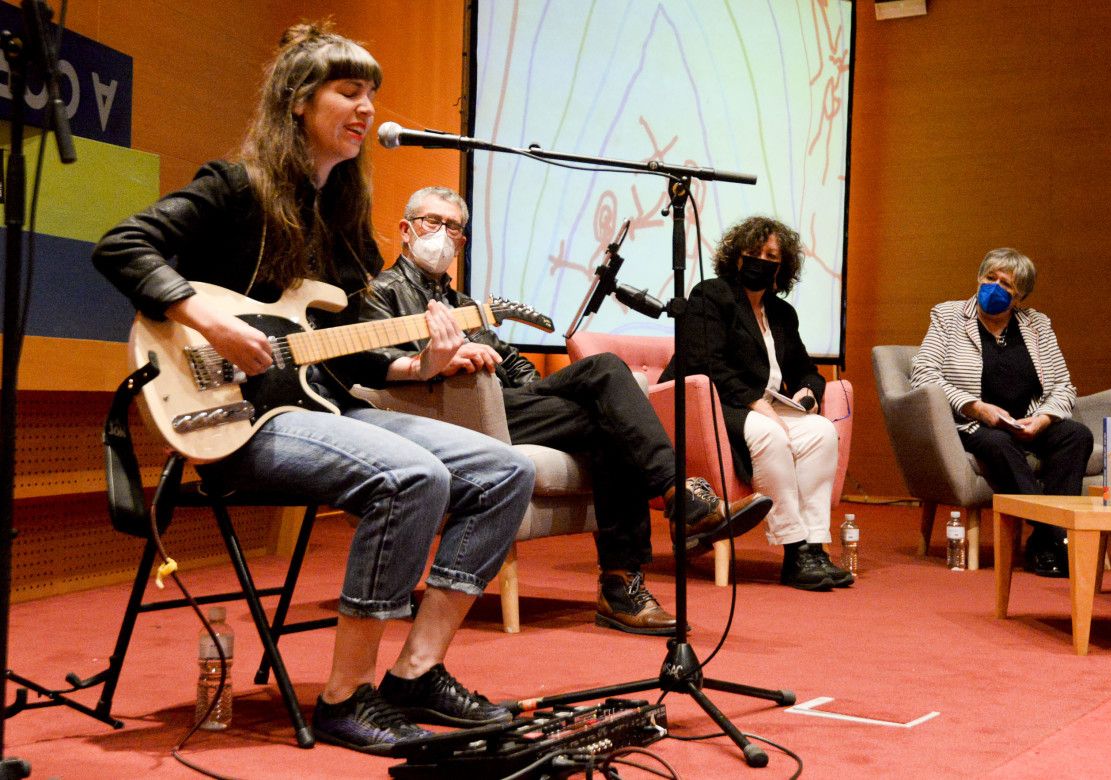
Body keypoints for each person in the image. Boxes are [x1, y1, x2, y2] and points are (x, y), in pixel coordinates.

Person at [92, 23, 537, 755]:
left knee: (504, 469)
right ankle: (345, 698)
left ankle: (417, 673)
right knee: (410, 475)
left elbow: (355, 355)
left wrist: (422, 363)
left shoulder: (341, 216)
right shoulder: (233, 187)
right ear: (299, 101)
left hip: (318, 406)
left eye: (372, 95)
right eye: (348, 90)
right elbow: (121, 245)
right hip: (232, 418)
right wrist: (213, 322)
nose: (366, 108)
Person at [359, 186, 772, 636]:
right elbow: (372, 365)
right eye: (430, 222)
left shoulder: (462, 305)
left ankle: (625, 580)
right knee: (607, 380)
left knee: (608, 415)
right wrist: (436, 362)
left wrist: (548, 403)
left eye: (453, 227)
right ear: (405, 230)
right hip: (447, 414)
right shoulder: (379, 292)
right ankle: (666, 515)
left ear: (462, 241)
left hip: (504, 408)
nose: (442, 234)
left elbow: (515, 363)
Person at [659, 216, 853, 592]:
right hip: (716, 405)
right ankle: (794, 549)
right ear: (736, 257)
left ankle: (814, 545)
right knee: (771, 434)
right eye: (753, 252)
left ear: (782, 267)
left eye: (770, 255)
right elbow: (707, 364)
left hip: (764, 405)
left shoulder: (782, 314)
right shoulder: (710, 297)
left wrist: (808, 394)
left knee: (821, 432)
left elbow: (806, 370)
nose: (759, 260)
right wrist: (756, 404)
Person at [911, 247, 1093, 578]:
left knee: (1077, 435)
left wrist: (1044, 419)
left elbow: (1064, 385)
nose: (993, 287)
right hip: (974, 424)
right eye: (988, 277)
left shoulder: (1037, 324)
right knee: (998, 444)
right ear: (978, 278)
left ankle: (1043, 542)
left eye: (1005, 284)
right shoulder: (948, 316)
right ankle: (1057, 536)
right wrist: (976, 407)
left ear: (1020, 295)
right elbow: (923, 374)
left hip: (1027, 419)